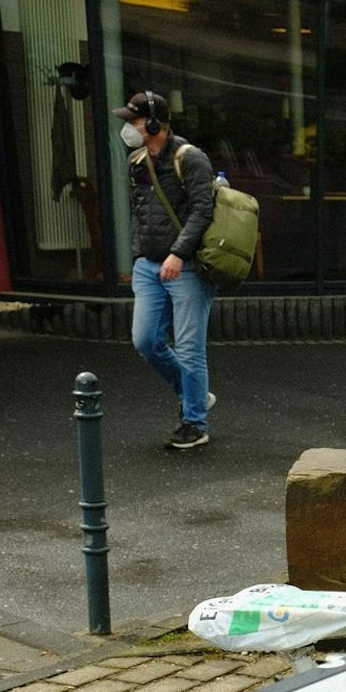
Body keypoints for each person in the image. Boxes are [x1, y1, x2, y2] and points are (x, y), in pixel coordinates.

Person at [115, 91, 219, 449]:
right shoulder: (137, 161)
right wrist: (139, 255)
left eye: (134, 120)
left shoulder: (190, 159)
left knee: (190, 347)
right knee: (145, 340)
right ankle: (196, 394)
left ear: (155, 123)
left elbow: (202, 211)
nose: (128, 127)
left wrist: (177, 253)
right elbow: (141, 212)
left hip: (186, 266)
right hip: (148, 265)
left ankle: (195, 423)